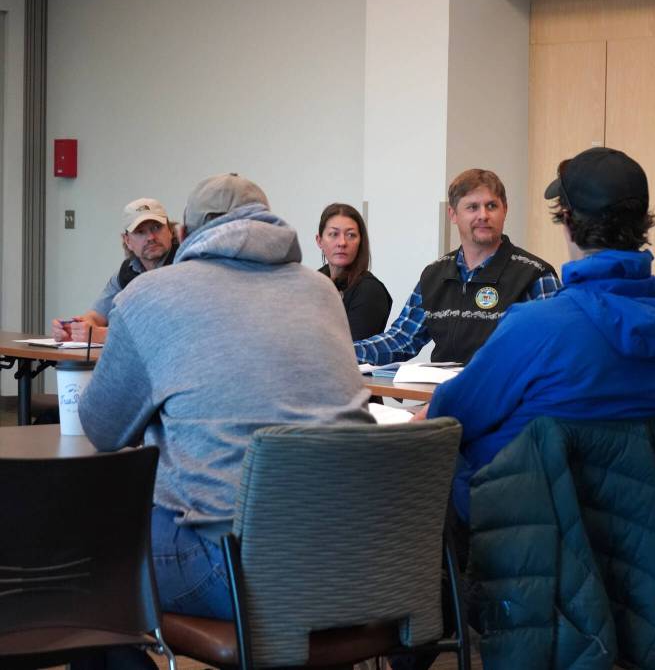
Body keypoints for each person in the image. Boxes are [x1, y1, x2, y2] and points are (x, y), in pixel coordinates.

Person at [79, 172, 373, 621]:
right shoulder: (323, 292)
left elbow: (103, 428)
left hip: (234, 567)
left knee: (88, 550)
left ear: (182, 234)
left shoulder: (149, 295)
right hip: (352, 560)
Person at [422, 147, 655, 530]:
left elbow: (449, 414)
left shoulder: (538, 325)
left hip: (525, 529)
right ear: (641, 223)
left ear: (567, 221)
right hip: (635, 529)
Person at [353, 169, 560, 365]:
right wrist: (342, 352)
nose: (483, 215)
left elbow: (555, 350)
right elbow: (401, 339)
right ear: (453, 214)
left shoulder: (535, 275)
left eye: (491, 206)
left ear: (505, 210)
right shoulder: (434, 275)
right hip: (443, 397)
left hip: (506, 399)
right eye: (472, 207)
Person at [50, 198, 177, 344]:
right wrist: (74, 329)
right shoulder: (126, 272)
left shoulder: (185, 265)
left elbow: (169, 330)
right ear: (127, 240)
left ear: (170, 231)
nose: (150, 237)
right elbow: (96, 317)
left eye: (156, 228)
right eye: (140, 231)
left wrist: (106, 336)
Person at [315, 202, 392, 340]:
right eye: (333, 234)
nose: (342, 242)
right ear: (319, 241)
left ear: (360, 241)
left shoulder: (369, 290)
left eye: (350, 235)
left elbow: (350, 350)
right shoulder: (314, 282)